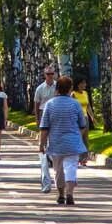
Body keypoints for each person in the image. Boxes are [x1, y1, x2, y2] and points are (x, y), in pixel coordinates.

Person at [37, 76, 90, 205]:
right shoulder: (75, 104)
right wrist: (77, 135)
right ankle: (70, 193)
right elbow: (82, 125)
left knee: (58, 170)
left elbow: (44, 127)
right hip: (72, 143)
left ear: (57, 88)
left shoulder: (50, 104)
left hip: (56, 143)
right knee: (71, 167)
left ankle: (61, 194)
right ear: (70, 88)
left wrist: (41, 144)